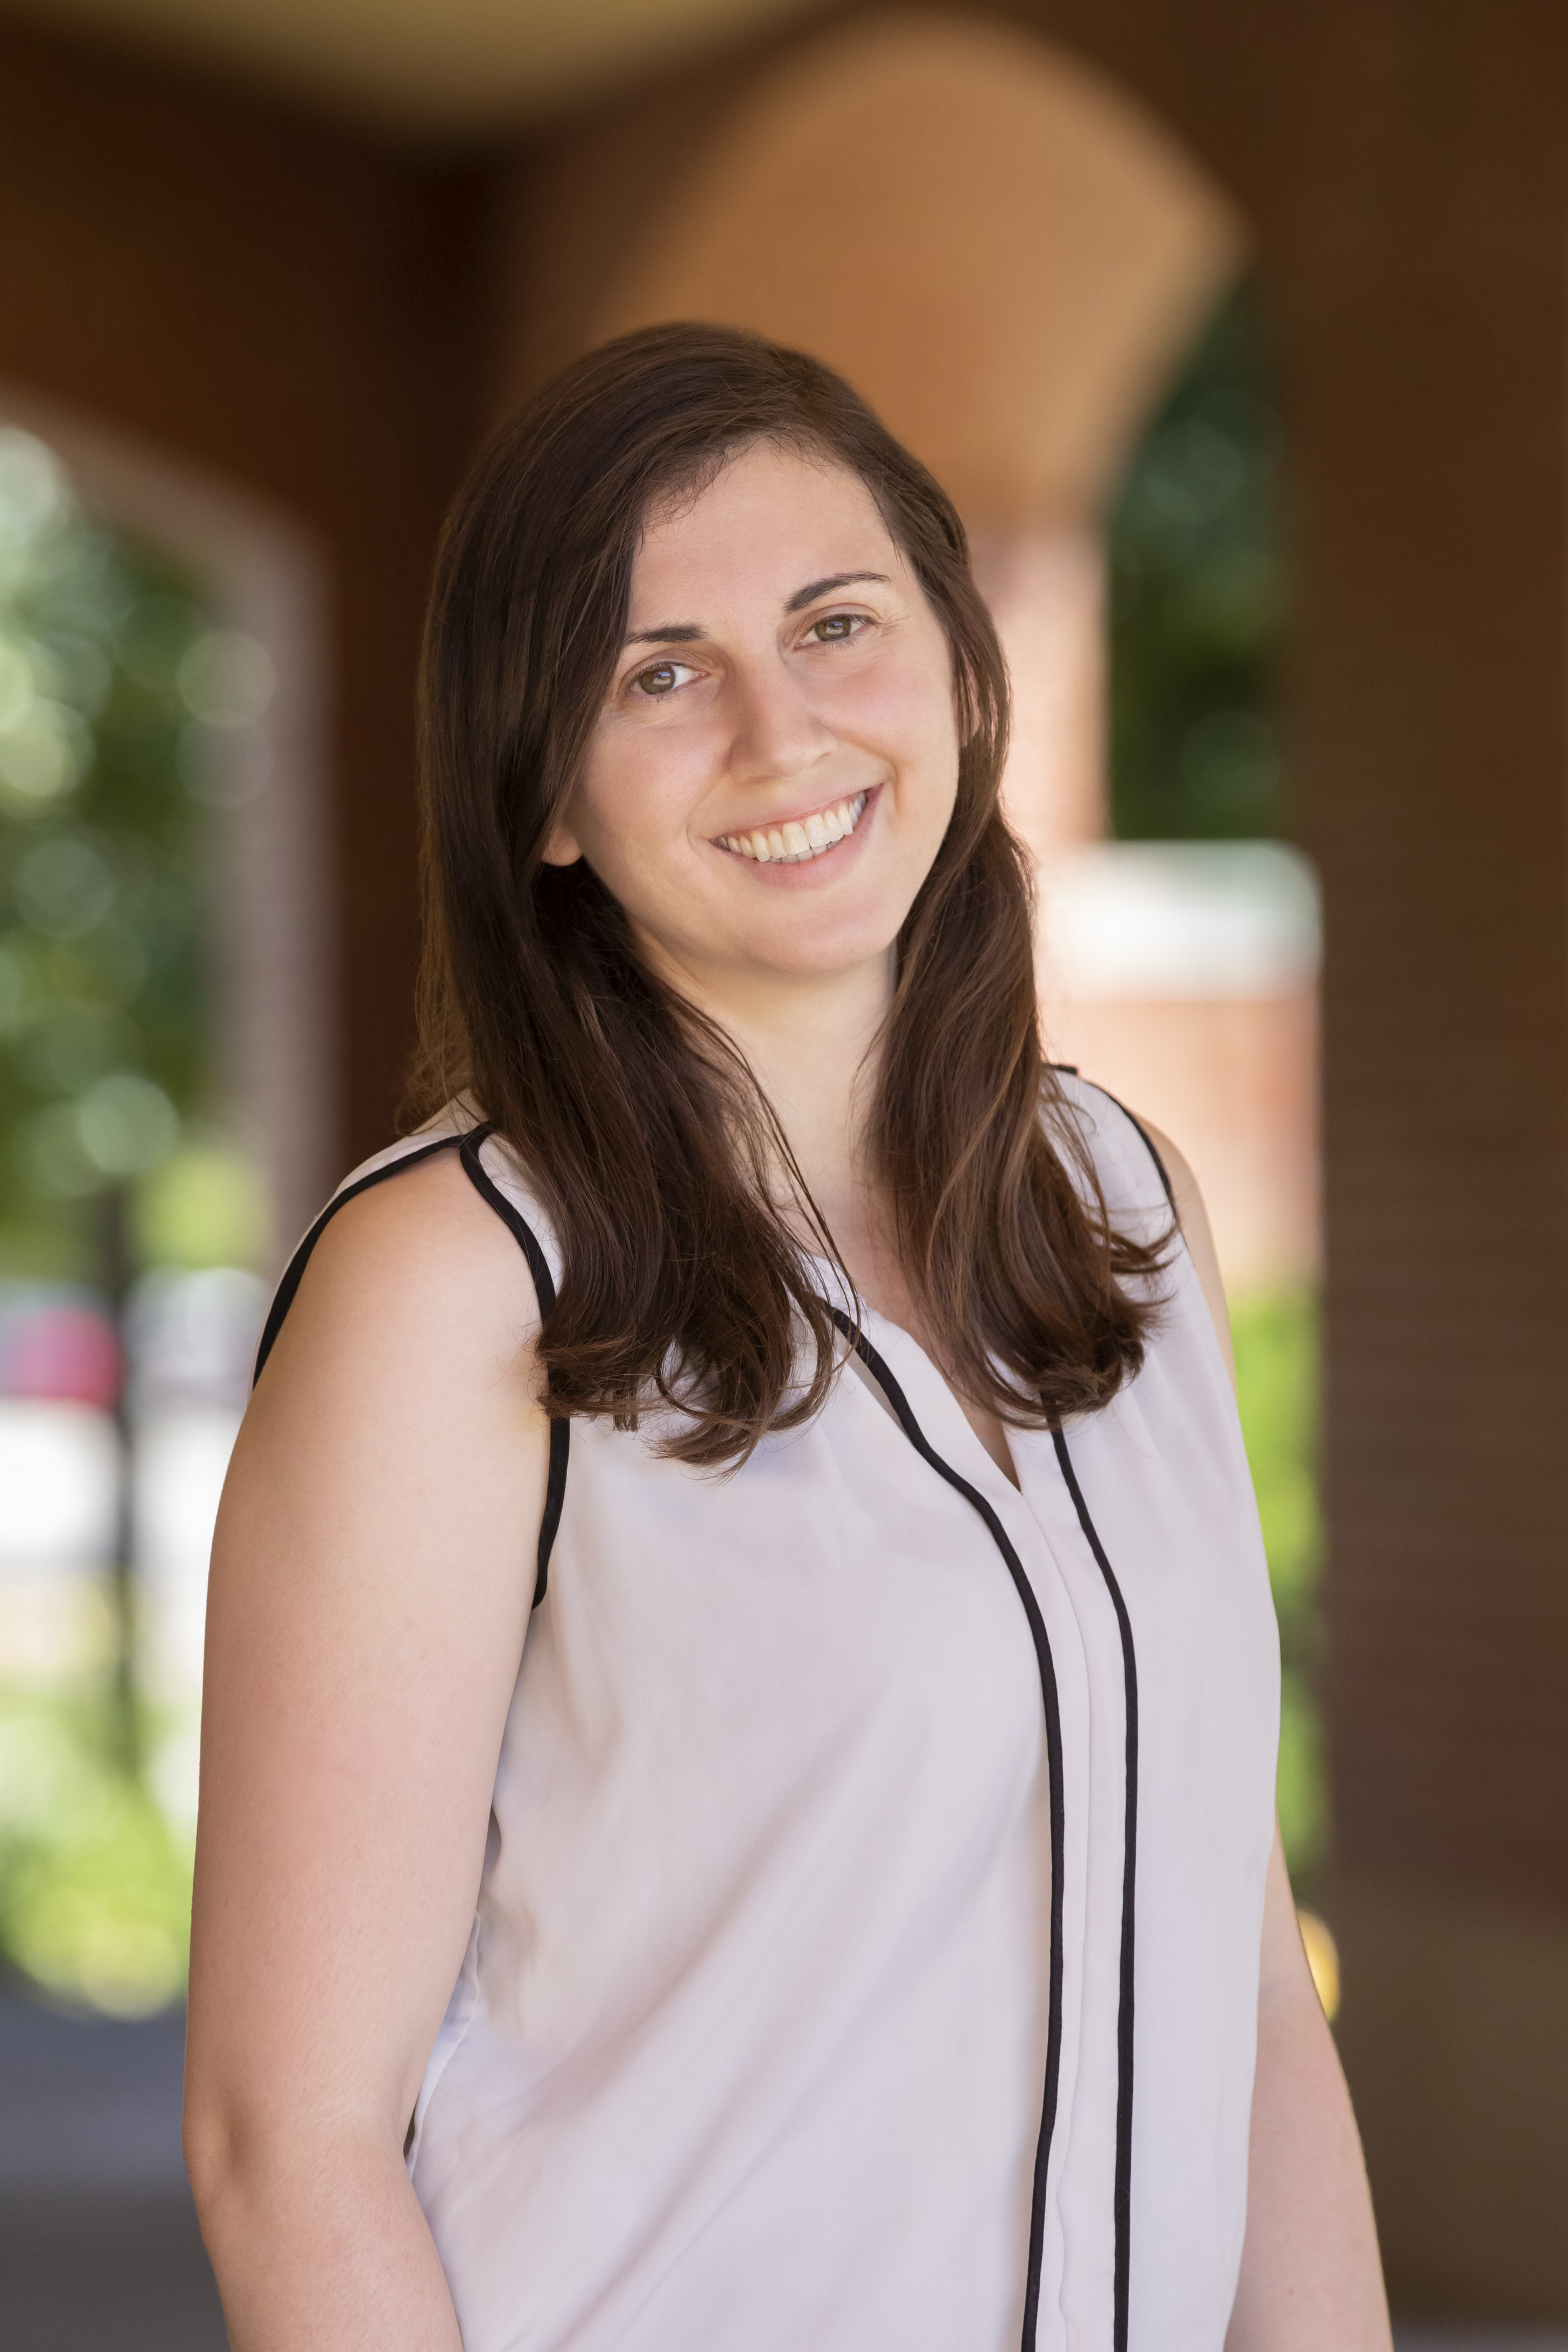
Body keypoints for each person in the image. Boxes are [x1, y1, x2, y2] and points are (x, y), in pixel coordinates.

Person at [183, 323, 1391, 2351]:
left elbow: (1242, 1983)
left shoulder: (1114, 1211)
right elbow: (281, 2140)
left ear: (961, 674)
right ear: (544, 793)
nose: (780, 730)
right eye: (660, 673)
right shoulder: (458, 1286)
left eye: (840, 623)